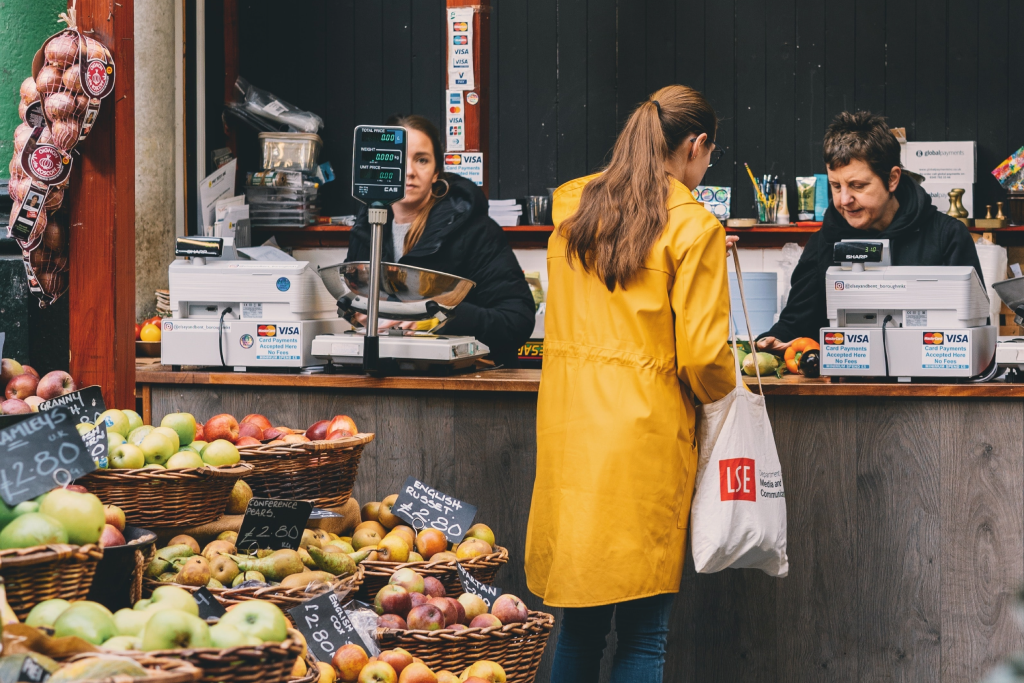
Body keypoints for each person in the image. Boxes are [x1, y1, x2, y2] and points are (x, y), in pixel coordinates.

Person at [525, 85, 736, 683]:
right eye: (709, 156)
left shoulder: (572, 210)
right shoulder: (694, 229)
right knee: (645, 636)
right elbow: (703, 356)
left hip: (572, 438)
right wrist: (733, 389)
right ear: (695, 146)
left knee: (581, 628)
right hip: (643, 446)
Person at [758, 111, 983, 352]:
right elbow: (795, 324)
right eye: (836, 186)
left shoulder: (946, 236)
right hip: (843, 385)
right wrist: (773, 340)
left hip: (931, 384)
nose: (844, 199)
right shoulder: (823, 242)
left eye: (858, 186)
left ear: (892, 179)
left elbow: (974, 328)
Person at [345, 115, 535, 367]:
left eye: (421, 160)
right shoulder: (367, 229)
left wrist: (440, 313)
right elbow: (355, 302)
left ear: (436, 172)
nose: (410, 171)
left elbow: (517, 320)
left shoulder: (476, 231)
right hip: (383, 376)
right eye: (398, 160)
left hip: (461, 384)